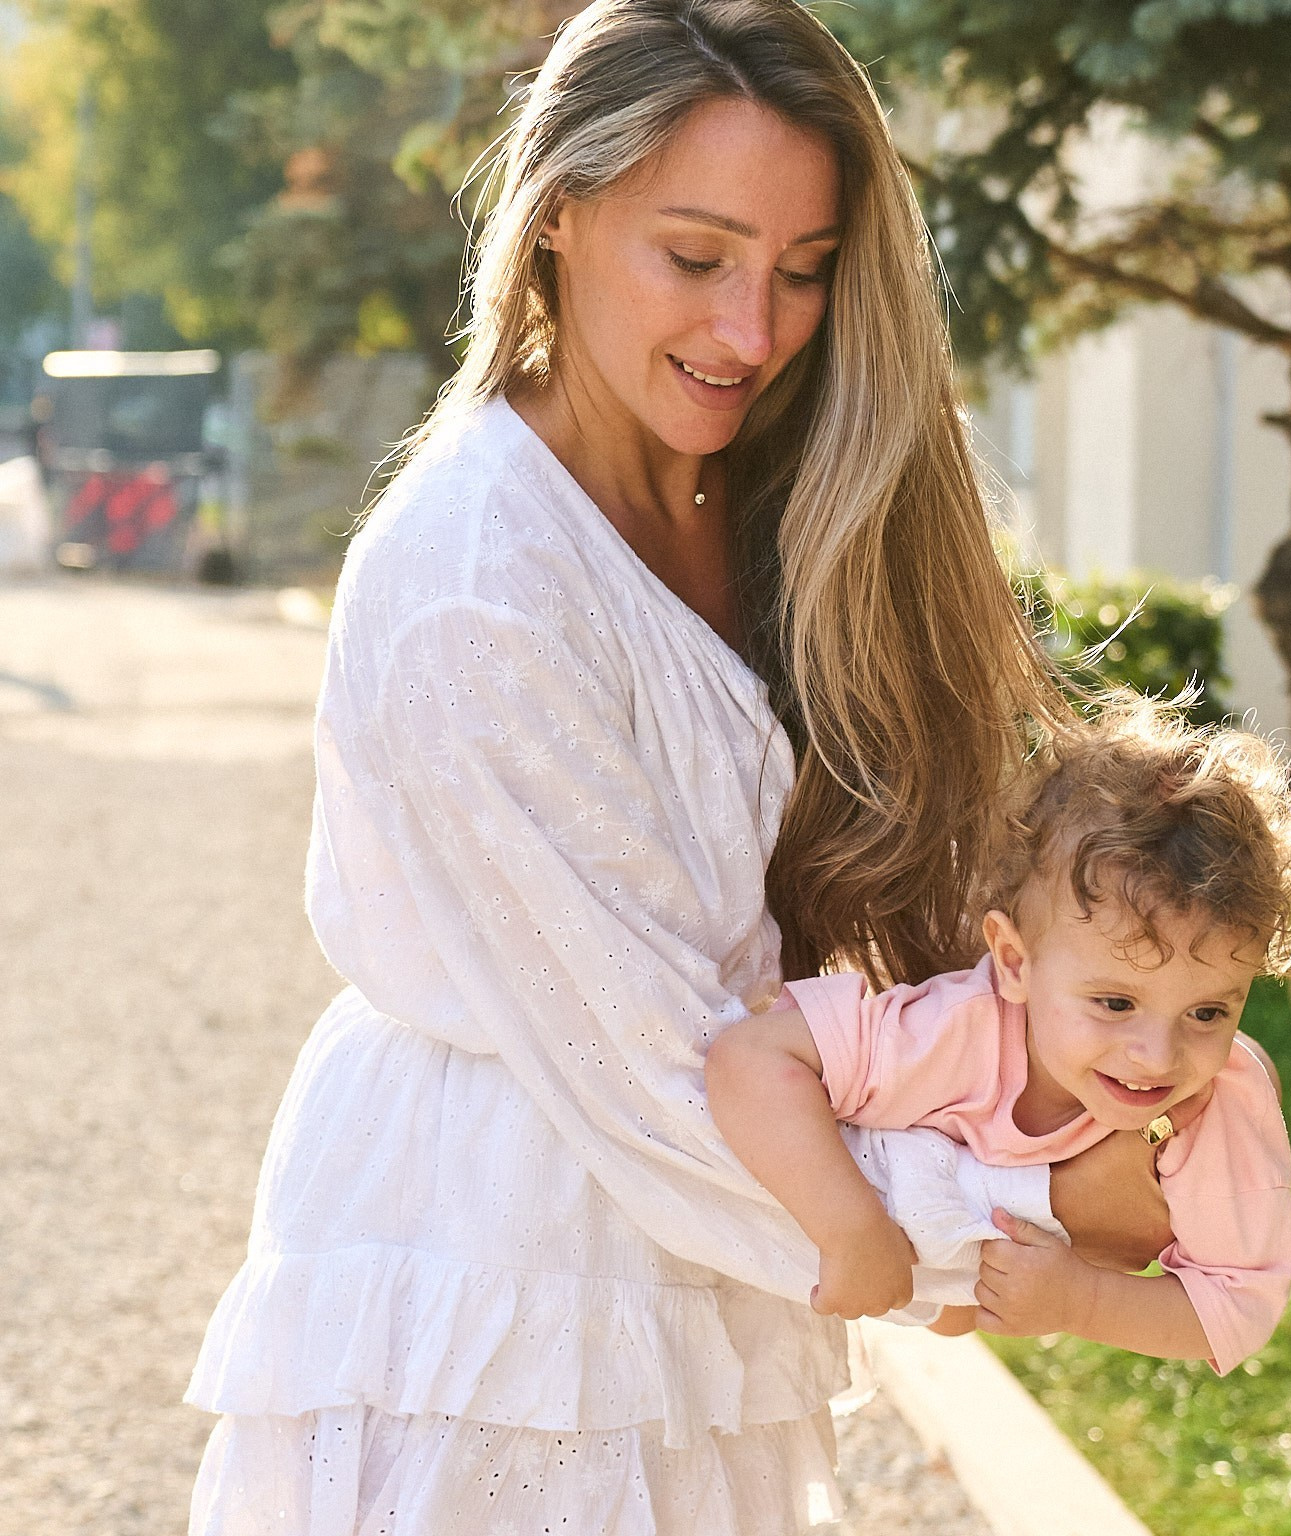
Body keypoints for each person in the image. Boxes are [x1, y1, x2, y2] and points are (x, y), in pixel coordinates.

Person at [185, 3, 1177, 1532]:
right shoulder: (478, 587)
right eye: (697, 257)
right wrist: (1027, 1215)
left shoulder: (766, 491)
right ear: (562, 217)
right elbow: (654, 1077)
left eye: (802, 271)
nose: (753, 332)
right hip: (500, 1279)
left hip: (688, 1269)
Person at [707, 697, 1291, 1376]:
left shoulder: (1217, 1106)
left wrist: (1083, 1301)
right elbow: (750, 1057)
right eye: (1116, 1002)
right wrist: (850, 1228)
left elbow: (1240, 1306)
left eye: (1208, 1013)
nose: (1157, 1055)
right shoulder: (953, 1031)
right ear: (1014, 962)